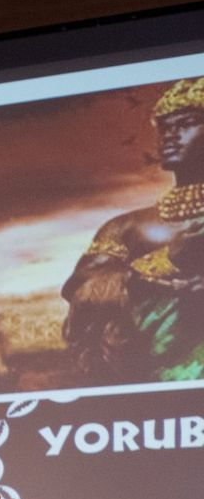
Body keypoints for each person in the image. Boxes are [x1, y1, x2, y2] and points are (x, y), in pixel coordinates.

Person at [60, 79, 204, 383]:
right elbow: (83, 292)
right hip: (147, 374)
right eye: (164, 127)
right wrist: (167, 260)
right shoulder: (127, 227)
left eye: (187, 124)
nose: (170, 135)